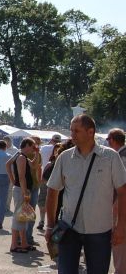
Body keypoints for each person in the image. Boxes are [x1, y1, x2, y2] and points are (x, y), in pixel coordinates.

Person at [46, 115, 126, 273]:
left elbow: (123, 192)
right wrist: (50, 225)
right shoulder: (65, 157)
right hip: (69, 228)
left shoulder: (110, 157)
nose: (72, 135)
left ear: (91, 132)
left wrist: (121, 226)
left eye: (76, 131)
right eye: (71, 130)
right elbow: (52, 190)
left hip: (100, 231)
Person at [7, 138, 36, 254]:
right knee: (18, 216)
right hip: (21, 190)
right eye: (32, 146)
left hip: (21, 189)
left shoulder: (20, 155)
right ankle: (14, 244)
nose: (34, 148)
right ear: (27, 145)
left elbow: (7, 165)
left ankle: (23, 243)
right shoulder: (21, 157)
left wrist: (13, 180)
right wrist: (24, 192)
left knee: (22, 217)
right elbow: (22, 177)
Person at [107, 128, 126, 274]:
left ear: (112, 140)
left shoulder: (119, 157)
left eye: (108, 140)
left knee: (120, 241)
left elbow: (120, 187)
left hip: (120, 203)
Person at [37, 134, 62, 231]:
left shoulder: (44, 148)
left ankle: (42, 220)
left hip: (45, 178)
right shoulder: (63, 151)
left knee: (43, 200)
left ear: (52, 140)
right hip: (57, 180)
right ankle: (51, 222)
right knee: (55, 202)